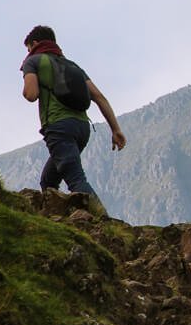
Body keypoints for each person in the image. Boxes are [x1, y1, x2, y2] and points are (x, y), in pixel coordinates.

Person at [20, 25, 126, 205]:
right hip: (82, 128)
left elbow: (31, 95)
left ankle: (104, 222)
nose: (29, 52)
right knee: (49, 180)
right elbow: (99, 97)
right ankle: (58, 222)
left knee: (76, 180)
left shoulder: (34, 61)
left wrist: (27, 77)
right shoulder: (72, 65)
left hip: (58, 126)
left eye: (29, 48)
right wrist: (116, 130)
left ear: (35, 43)